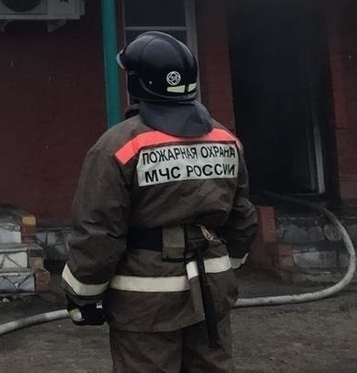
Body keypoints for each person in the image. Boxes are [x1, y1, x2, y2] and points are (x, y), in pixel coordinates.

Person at [61, 31, 258, 373]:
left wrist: (83, 295)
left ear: (137, 84)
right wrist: (227, 265)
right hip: (212, 291)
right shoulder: (227, 140)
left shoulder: (119, 146)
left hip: (145, 301)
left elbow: (99, 231)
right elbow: (242, 217)